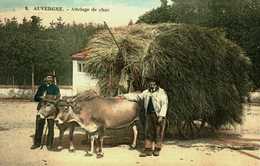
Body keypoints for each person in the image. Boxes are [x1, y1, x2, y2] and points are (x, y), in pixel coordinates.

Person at [121, 77, 168, 157]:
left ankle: (157, 149)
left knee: (158, 132)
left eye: (153, 83)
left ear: (156, 84)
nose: (151, 84)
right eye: (150, 83)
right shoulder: (146, 92)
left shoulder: (161, 93)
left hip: (158, 115)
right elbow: (137, 97)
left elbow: (164, 104)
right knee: (148, 132)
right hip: (149, 115)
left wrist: (161, 115)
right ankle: (148, 150)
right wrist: (125, 96)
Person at [31, 74, 60, 150]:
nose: (49, 79)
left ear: (53, 79)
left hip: (51, 108)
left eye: (51, 78)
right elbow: (36, 98)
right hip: (42, 108)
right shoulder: (42, 87)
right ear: (45, 79)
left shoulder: (55, 88)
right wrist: (41, 98)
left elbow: (57, 99)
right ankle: (37, 143)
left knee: (50, 127)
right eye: (48, 77)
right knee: (39, 125)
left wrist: (50, 100)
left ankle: (49, 144)